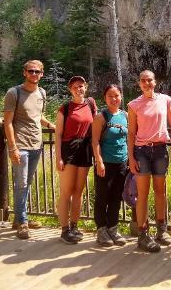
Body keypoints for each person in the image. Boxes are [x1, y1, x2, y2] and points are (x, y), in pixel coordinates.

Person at [4, 60, 55, 239]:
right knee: (22, 184)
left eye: (37, 71)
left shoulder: (42, 92)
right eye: (31, 71)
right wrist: (13, 148)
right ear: (24, 72)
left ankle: (19, 218)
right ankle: (23, 222)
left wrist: (50, 125)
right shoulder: (14, 93)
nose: (34, 74)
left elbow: (38, 115)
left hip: (37, 145)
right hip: (21, 146)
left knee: (26, 184)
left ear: (42, 74)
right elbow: (8, 122)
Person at [127, 70, 171, 252]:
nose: (147, 83)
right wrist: (131, 157)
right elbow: (131, 133)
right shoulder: (133, 105)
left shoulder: (165, 99)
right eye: (143, 81)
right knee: (142, 194)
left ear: (156, 82)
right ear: (139, 84)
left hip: (161, 149)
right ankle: (143, 234)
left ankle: (161, 230)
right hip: (142, 151)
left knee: (160, 191)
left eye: (150, 80)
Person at [54, 76, 97, 244]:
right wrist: (58, 158)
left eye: (81, 86)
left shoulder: (91, 104)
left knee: (79, 191)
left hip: (85, 150)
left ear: (85, 87)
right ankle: (64, 230)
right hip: (69, 150)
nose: (79, 89)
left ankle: (74, 226)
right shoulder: (65, 108)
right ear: (70, 90)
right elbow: (58, 134)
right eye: (75, 87)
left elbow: (96, 125)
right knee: (66, 192)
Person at [92, 84, 128, 247]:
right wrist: (99, 161)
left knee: (116, 197)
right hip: (105, 163)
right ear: (105, 98)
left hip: (122, 162)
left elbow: (129, 138)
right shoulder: (101, 117)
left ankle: (113, 227)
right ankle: (101, 229)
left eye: (116, 95)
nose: (114, 99)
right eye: (110, 96)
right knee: (102, 196)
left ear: (121, 96)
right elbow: (95, 141)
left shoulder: (126, 116)